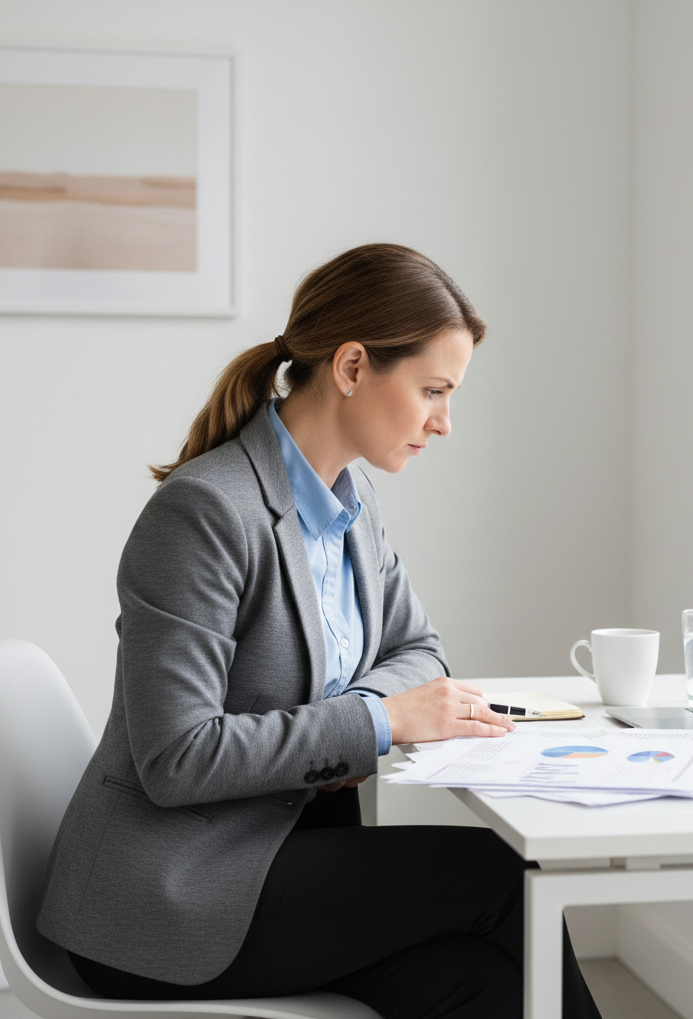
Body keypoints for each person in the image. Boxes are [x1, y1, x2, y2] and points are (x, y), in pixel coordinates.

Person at [36, 244, 602, 1019]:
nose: (445, 422)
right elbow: (176, 757)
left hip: (277, 859)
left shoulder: (350, 503)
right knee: (503, 877)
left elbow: (420, 651)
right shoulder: (207, 513)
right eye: (433, 390)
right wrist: (375, 721)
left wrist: (365, 719)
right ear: (352, 366)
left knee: (485, 983)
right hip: (170, 900)